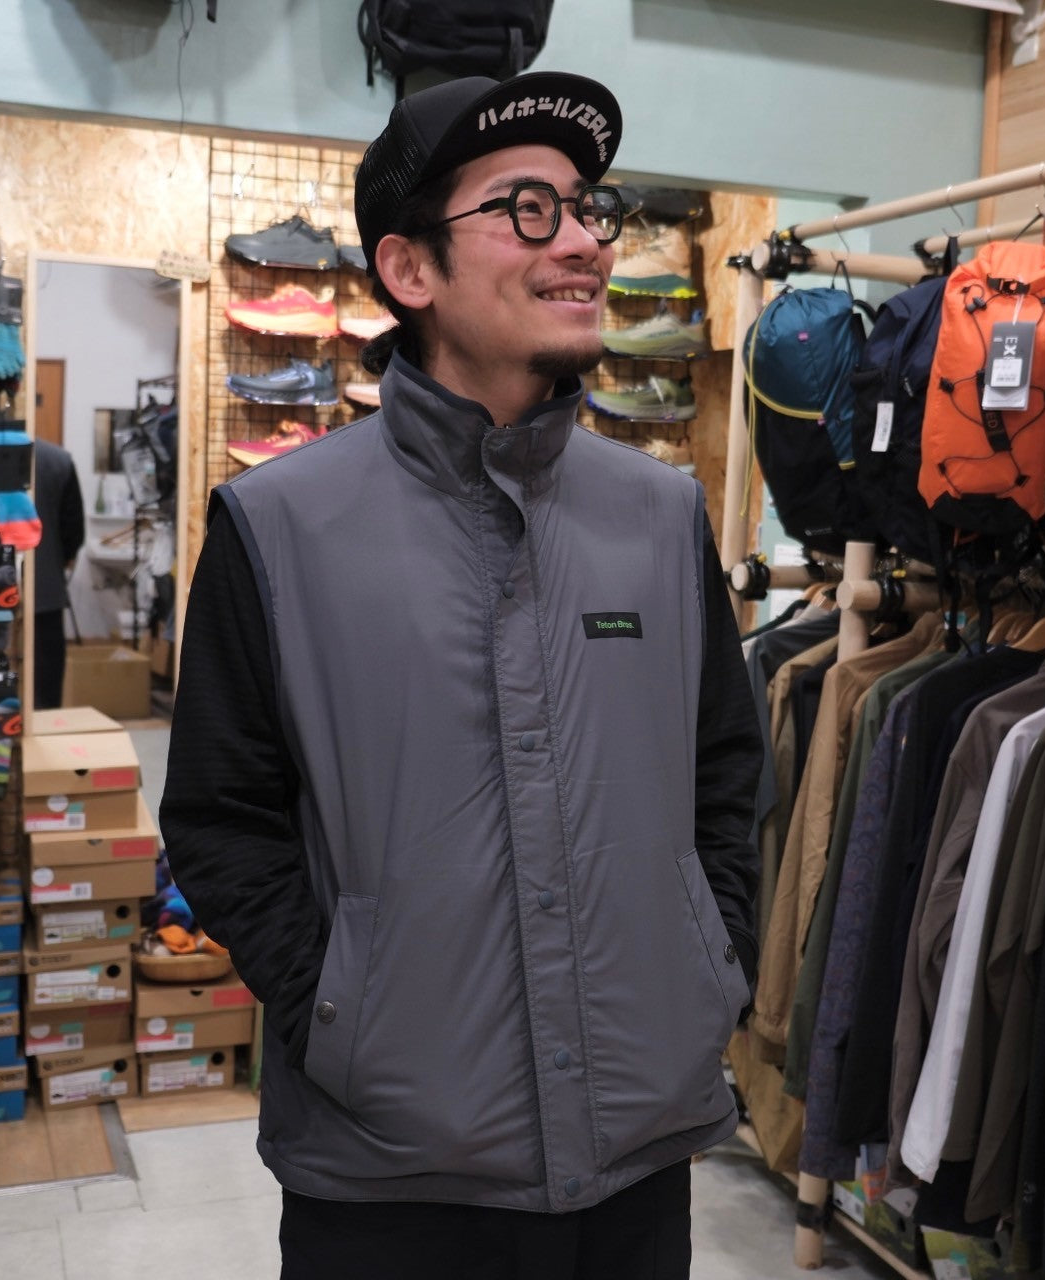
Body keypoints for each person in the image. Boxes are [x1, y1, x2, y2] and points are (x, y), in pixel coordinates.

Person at [160, 70, 762, 1280]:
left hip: (635, 1159)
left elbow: (723, 774)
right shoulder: (278, 525)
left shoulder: (658, 515)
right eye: (527, 209)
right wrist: (343, 1012)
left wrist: (707, 968)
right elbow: (221, 819)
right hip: (390, 1174)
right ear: (408, 268)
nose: (582, 241)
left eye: (587, 207)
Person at [31, 437, 84, 708]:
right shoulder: (58, 460)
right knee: (46, 670)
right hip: (46, 583)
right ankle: (45, 720)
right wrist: (60, 560)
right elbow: (73, 526)